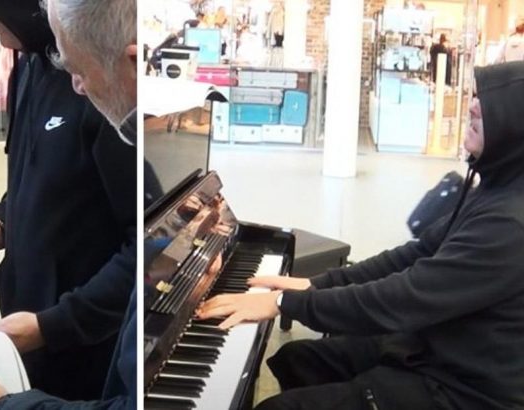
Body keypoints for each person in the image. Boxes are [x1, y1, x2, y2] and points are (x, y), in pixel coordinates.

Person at [197, 61, 524, 409]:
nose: (473, 105)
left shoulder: (508, 225)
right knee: (297, 358)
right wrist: (316, 285)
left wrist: (282, 303)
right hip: (436, 346)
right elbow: (413, 255)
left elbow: (405, 298)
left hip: (466, 390)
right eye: (476, 95)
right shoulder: (494, 189)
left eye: (489, 101)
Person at [0, 0, 138, 407]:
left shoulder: (109, 82)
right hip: (28, 322)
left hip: (87, 339)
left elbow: (143, 248)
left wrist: (54, 325)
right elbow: (34, 173)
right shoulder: (28, 61)